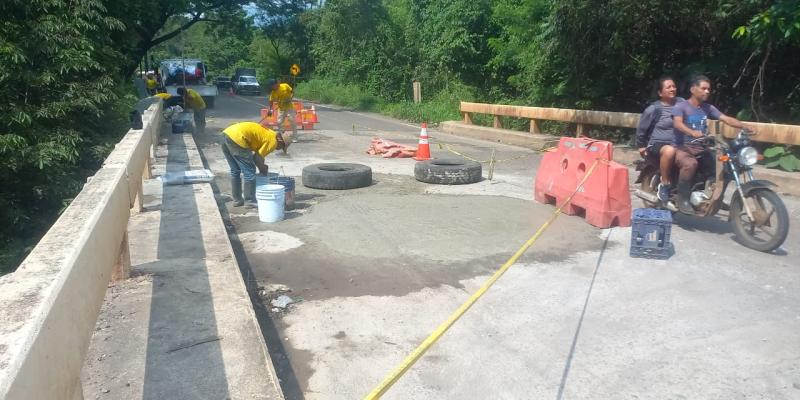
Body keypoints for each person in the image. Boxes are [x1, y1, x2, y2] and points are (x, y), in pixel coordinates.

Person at [672, 75, 750, 214]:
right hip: (683, 146)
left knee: (724, 167)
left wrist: (744, 126)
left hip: (701, 147)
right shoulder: (681, 107)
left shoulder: (707, 107)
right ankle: (682, 199)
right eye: (703, 88)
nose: (707, 91)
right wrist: (692, 132)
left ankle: (716, 197)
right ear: (693, 89)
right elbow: (677, 123)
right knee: (690, 164)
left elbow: (726, 118)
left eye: (708, 89)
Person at [636, 76, 684, 202]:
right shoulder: (654, 109)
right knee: (669, 150)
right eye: (668, 87)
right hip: (658, 144)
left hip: (679, 143)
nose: (672, 89)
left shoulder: (682, 103)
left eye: (674, 86)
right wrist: (641, 146)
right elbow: (641, 129)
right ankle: (664, 184)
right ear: (660, 92)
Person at [220, 122, 289, 207]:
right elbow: (257, 158)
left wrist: (262, 164)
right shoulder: (273, 141)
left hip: (225, 134)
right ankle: (250, 201)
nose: (278, 149)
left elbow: (258, 155)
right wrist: (263, 169)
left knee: (235, 171)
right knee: (250, 172)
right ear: (280, 141)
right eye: (281, 147)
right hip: (238, 138)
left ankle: (237, 200)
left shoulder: (270, 133)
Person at [267, 79, 297, 151]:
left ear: (276, 84)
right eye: (271, 86)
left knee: (292, 120)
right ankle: (283, 136)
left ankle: (295, 137)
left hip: (289, 107)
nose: (272, 87)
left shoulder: (285, 86)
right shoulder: (273, 92)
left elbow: (292, 92)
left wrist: (290, 98)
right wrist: (270, 110)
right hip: (281, 108)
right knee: (279, 122)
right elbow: (271, 101)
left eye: (272, 86)